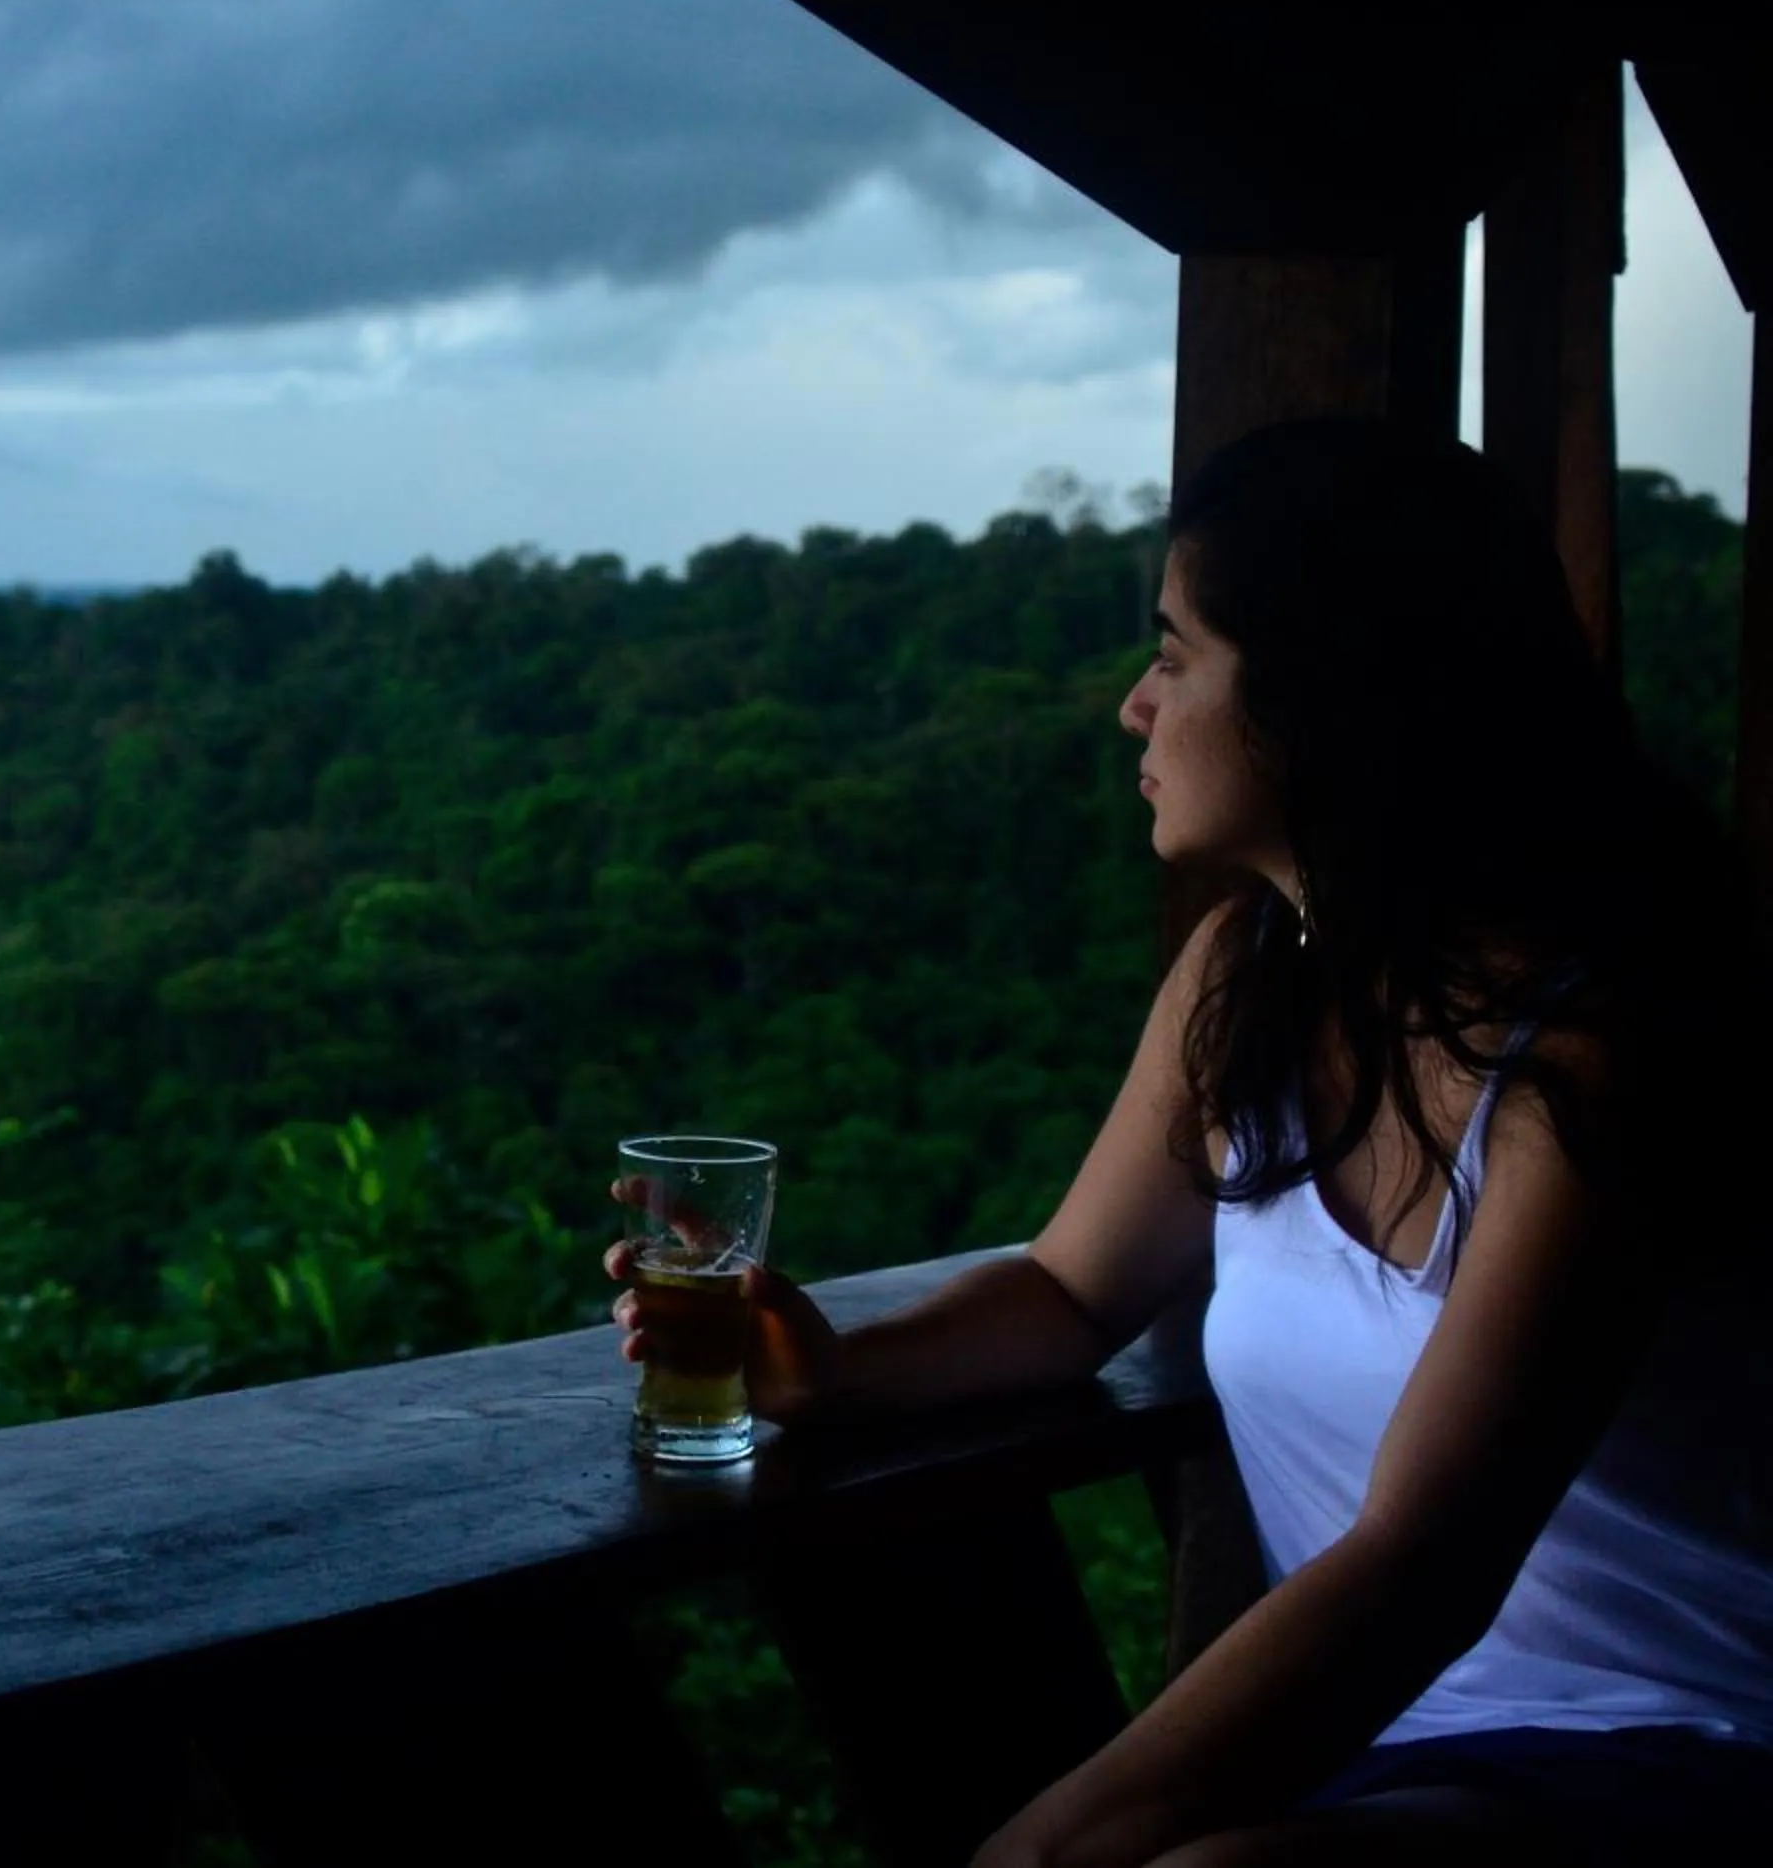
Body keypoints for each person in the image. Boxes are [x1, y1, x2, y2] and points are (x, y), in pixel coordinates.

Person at [611, 417, 1773, 1867]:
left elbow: (1425, 1563)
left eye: (1173, 655)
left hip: (1685, 1735)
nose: (1132, 707)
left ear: (1329, 699)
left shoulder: (1584, 1066)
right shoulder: (1248, 979)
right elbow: (1070, 1291)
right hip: (1386, 1749)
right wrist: (838, 1370)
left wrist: (1038, 1849)